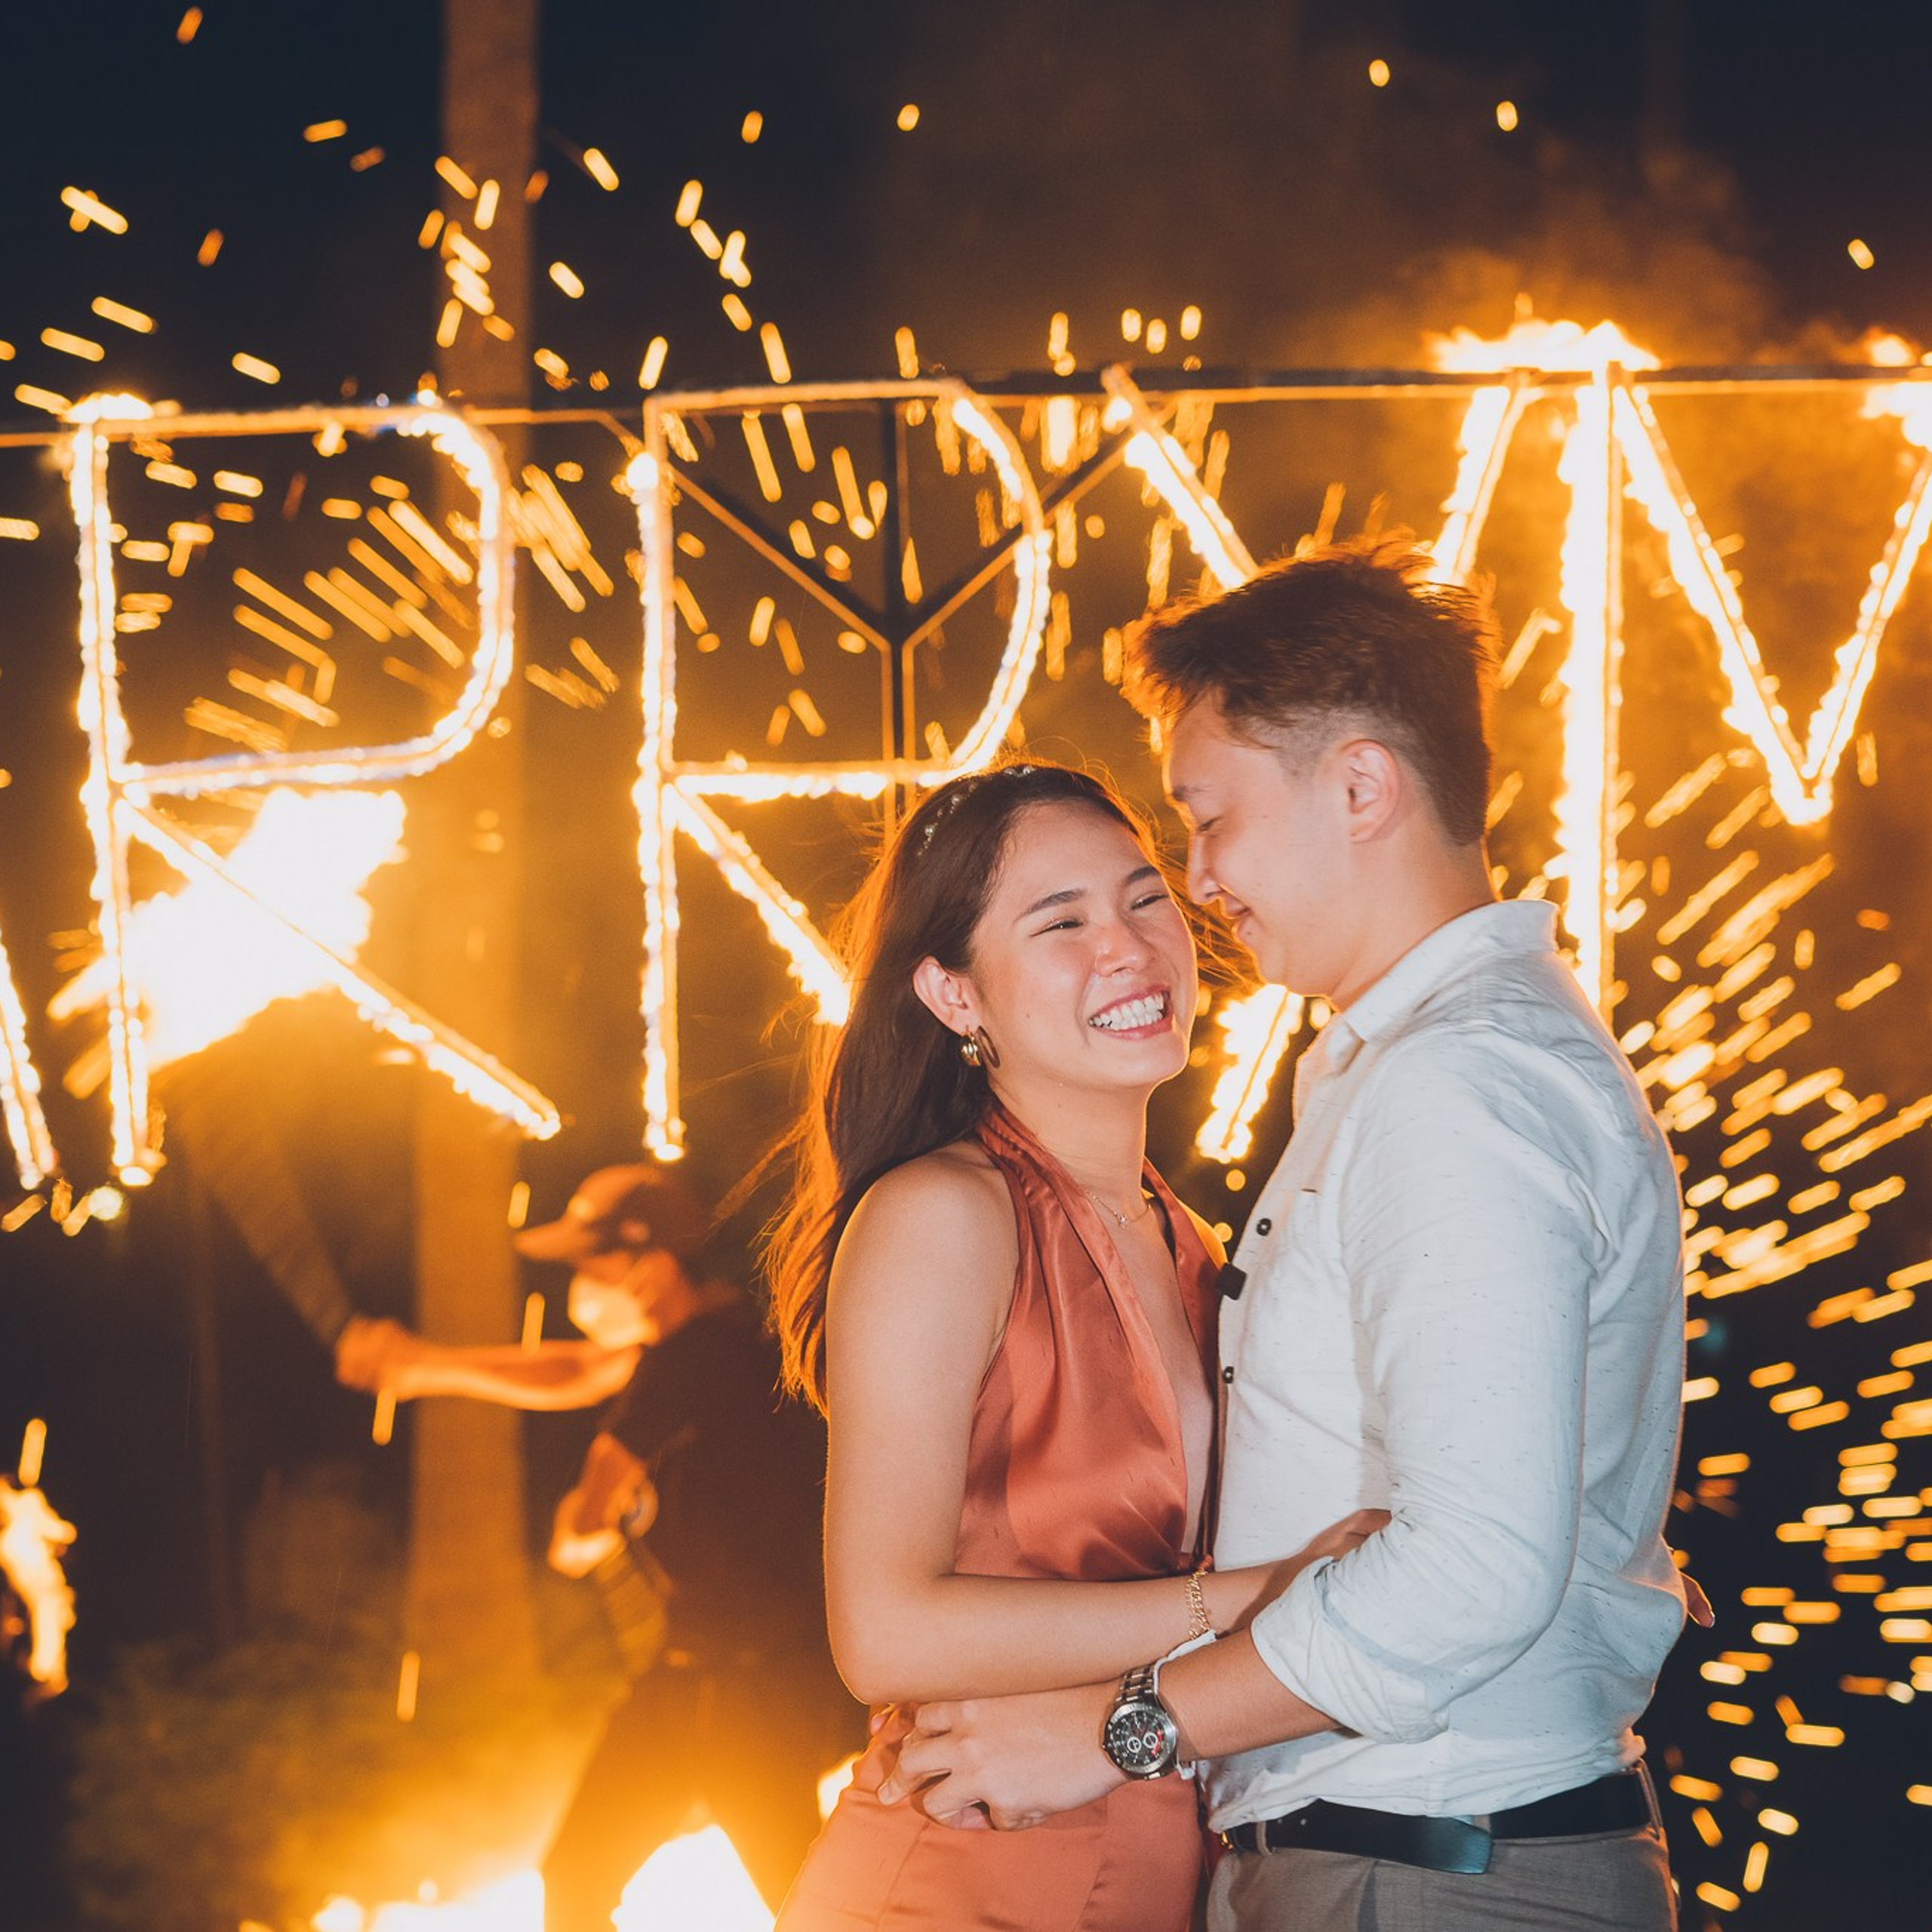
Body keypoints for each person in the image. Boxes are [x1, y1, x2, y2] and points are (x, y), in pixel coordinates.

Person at [878, 540, 1693, 1932]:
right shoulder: (1422, 1070)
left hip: (1427, 1867)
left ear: (1362, 788)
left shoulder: (1457, 1085)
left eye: (1208, 822)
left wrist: (1118, 1730)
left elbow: (1469, 1573)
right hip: (1400, 1857)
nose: (1199, 880)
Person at [764, 759, 1378, 1931]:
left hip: (1169, 1870)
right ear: (953, 995)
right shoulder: (944, 1214)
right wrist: (1256, 1598)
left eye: (1145, 900)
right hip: (964, 1878)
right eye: (1062, 923)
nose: (1128, 948)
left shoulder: (1198, 1245)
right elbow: (885, 1634)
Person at [335, 1162, 854, 1927]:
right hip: (686, 1675)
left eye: (593, 1263)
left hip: (755, 1689)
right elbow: (575, 1368)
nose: (579, 1285)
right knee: (576, 1877)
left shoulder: (701, 1354)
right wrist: (422, 1366)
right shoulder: (693, 1342)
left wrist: (579, 1529)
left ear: (653, 1266)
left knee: (804, 1902)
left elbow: (592, 1496)